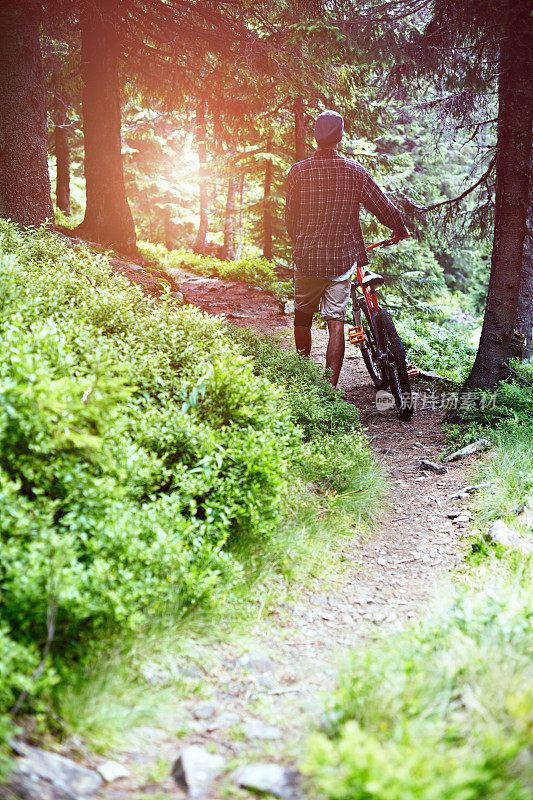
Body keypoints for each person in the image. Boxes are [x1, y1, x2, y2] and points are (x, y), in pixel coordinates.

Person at [285, 109, 410, 387]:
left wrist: (301, 241)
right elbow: (381, 205)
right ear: (339, 137)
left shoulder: (298, 171)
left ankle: (303, 378)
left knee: (303, 315)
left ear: (316, 137)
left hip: (306, 258)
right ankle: (330, 388)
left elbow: (290, 219)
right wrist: (399, 227)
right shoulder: (354, 171)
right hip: (341, 261)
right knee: (336, 322)